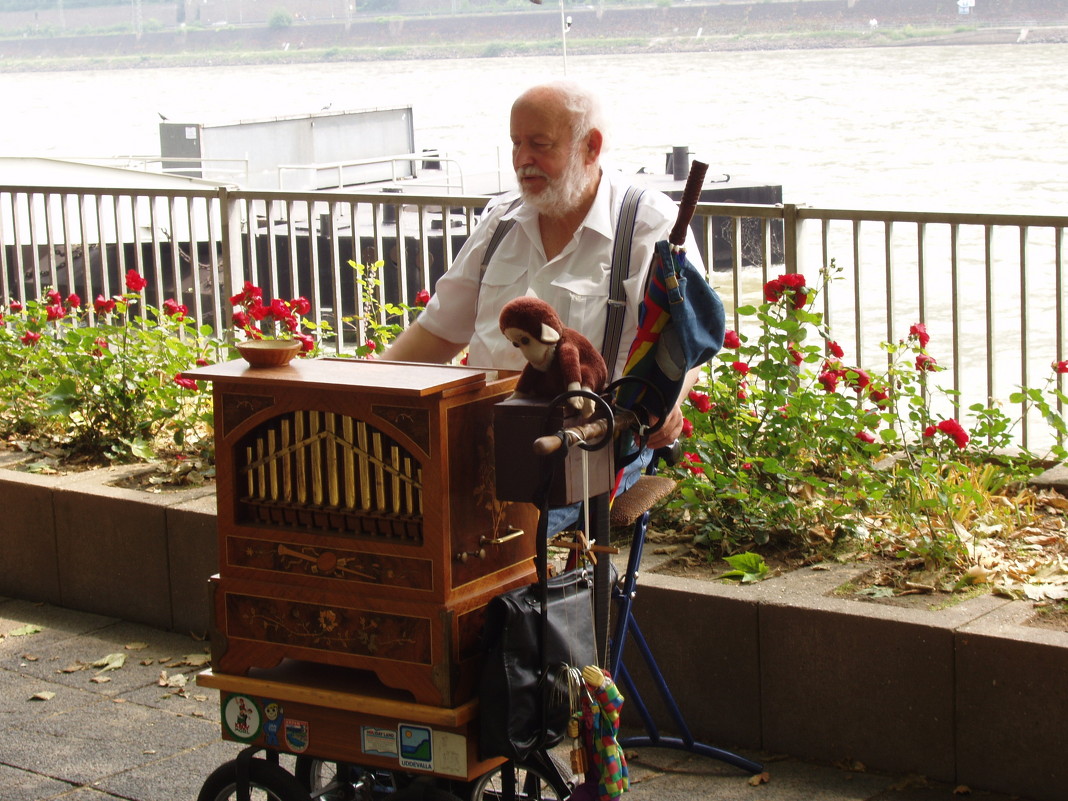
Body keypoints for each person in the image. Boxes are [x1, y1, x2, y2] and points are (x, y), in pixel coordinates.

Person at [383, 80, 703, 522]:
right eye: (516, 143)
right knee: (387, 503)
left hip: (590, 446)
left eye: (539, 144)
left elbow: (685, 348)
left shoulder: (648, 224)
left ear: (590, 147)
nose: (522, 160)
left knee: (486, 522)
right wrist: (363, 398)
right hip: (481, 442)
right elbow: (434, 335)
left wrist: (664, 407)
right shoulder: (500, 222)